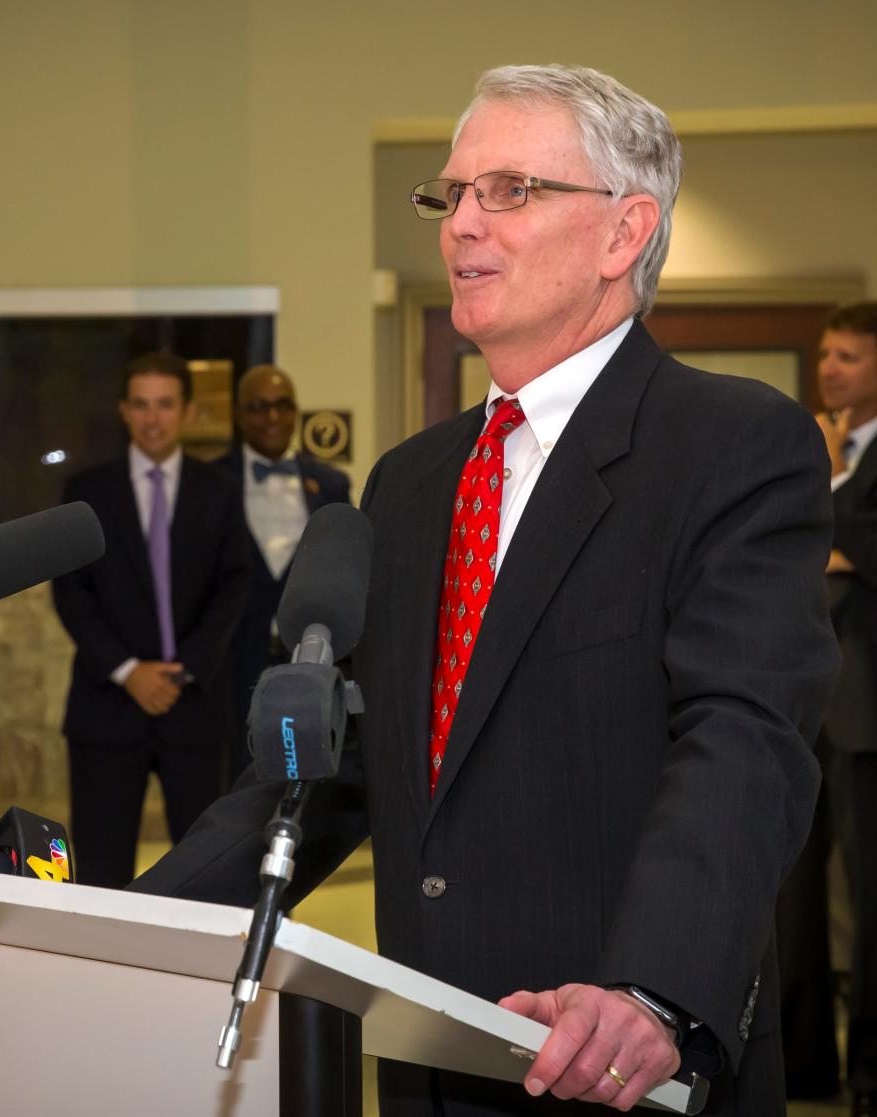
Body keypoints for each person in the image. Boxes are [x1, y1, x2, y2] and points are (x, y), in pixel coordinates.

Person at [131, 64, 838, 1116]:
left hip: (617, 1059)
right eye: (451, 193)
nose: (462, 222)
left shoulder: (733, 445)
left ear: (622, 232)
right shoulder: (412, 482)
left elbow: (744, 738)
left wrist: (651, 989)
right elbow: (339, 765)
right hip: (430, 1053)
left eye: (510, 190)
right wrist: (111, 926)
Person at [51, 351, 251, 890]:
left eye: (165, 404)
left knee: (204, 869)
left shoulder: (221, 491)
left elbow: (235, 585)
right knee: (101, 869)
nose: (153, 418)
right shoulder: (87, 492)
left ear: (186, 410)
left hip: (193, 706)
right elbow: (71, 593)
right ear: (123, 410)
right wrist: (127, 670)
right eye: (140, 405)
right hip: (107, 707)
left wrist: (183, 669)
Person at [779, 303, 877, 1117]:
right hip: (799, 708)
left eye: (849, 355)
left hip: (869, 712)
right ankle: (803, 1064)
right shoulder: (807, 446)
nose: (831, 368)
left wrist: (835, 478)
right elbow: (794, 549)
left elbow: (857, 549)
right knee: (791, 895)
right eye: (826, 353)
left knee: (872, 902)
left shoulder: (838, 458)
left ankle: (870, 1073)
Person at [216, 364, 350, 781]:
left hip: (307, 652)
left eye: (282, 406)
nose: (272, 417)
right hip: (232, 657)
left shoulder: (330, 484)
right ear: (238, 415)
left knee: (304, 768)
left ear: (295, 412)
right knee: (235, 776)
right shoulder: (211, 482)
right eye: (258, 407)